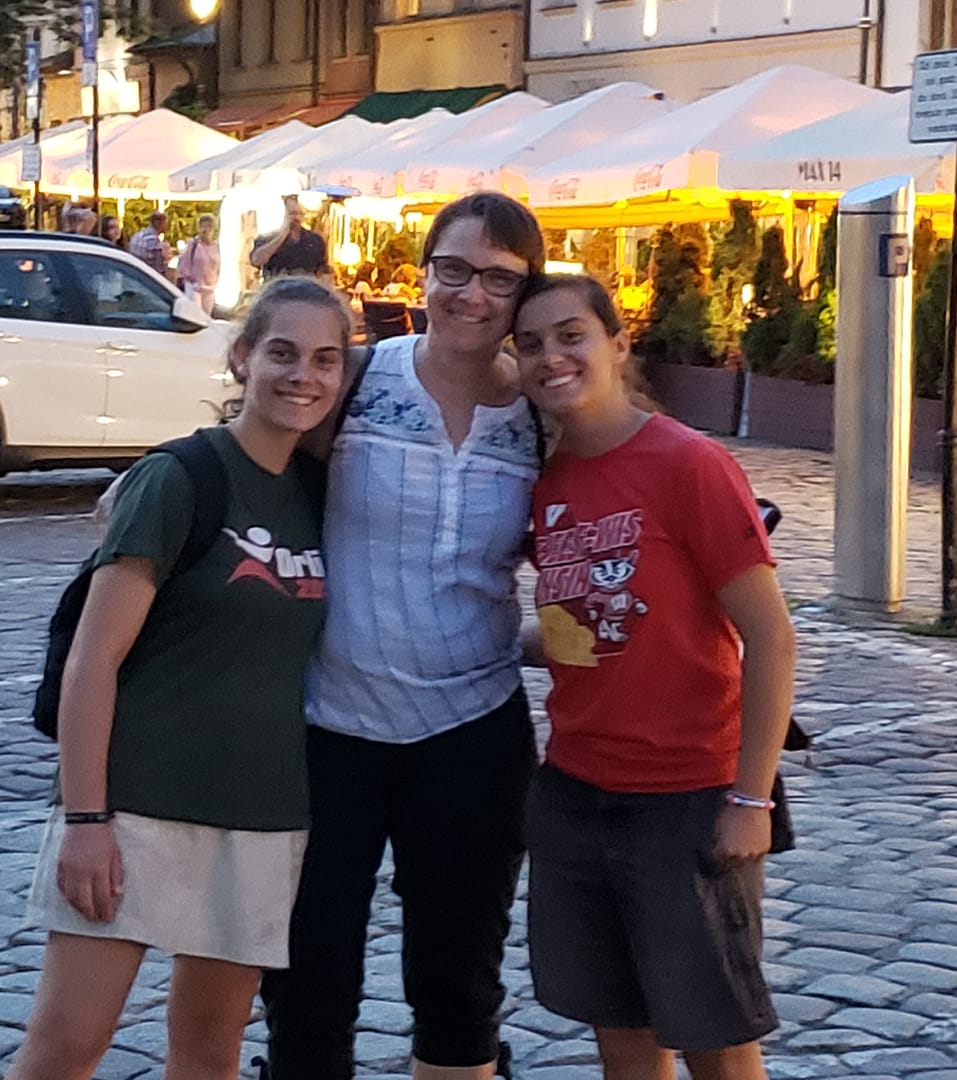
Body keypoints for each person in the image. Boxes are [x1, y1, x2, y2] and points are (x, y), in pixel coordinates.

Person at [6, 278, 352, 1080]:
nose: (304, 375)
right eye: (283, 353)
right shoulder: (179, 479)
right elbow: (96, 658)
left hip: (263, 817)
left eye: (327, 360)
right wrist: (87, 817)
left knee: (209, 1053)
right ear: (241, 358)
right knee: (67, 1047)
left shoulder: (321, 490)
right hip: (137, 806)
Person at [260, 192, 546, 1080]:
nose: (471, 295)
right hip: (328, 729)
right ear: (424, 276)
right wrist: (163, 482)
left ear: (524, 293)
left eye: (499, 278)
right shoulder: (357, 378)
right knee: (307, 986)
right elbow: (255, 451)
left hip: (472, 732)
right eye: (453, 270)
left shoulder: (543, 417)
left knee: (459, 990)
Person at [513, 274, 797, 1080]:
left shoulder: (687, 463)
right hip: (575, 790)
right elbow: (593, 621)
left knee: (714, 1036)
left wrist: (750, 799)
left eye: (571, 335)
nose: (551, 357)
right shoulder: (548, 478)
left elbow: (771, 638)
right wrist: (491, 641)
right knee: (621, 1033)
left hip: (686, 796)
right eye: (529, 344)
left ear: (617, 342)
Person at [251, 195, 328, 280]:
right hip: (277, 289)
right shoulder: (267, 238)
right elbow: (257, 260)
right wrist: (283, 236)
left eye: (299, 213)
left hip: (304, 290)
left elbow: (323, 270)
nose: (296, 217)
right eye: (292, 213)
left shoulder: (315, 240)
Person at [177, 213, 221, 316]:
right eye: (203, 226)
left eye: (209, 226)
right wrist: (188, 279)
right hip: (194, 286)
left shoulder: (217, 246)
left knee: (206, 316)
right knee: (195, 314)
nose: (206, 230)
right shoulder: (193, 244)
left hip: (210, 287)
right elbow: (184, 263)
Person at [129, 211, 173, 280]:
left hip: (133, 274)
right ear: (159, 223)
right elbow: (158, 267)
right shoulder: (152, 240)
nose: (167, 226)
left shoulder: (138, 235)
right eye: (166, 223)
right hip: (145, 278)